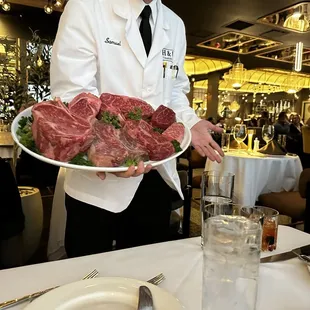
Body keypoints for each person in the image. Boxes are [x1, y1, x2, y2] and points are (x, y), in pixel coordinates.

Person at [50, 0, 224, 258]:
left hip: (155, 174)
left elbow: (174, 92)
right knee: (88, 281)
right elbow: (74, 95)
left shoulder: (174, 24)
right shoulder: (86, 6)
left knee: (145, 278)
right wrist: (111, 152)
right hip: (96, 184)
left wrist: (190, 121)